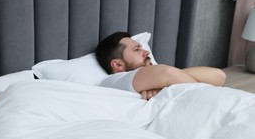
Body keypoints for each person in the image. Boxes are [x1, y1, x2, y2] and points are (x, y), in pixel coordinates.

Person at [95, 32, 226, 100]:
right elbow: (167, 73)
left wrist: (163, 83)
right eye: (136, 49)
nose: (146, 52)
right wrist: (166, 79)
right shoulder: (112, 82)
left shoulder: (162, 76)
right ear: (118, 64)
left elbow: (219, 77)